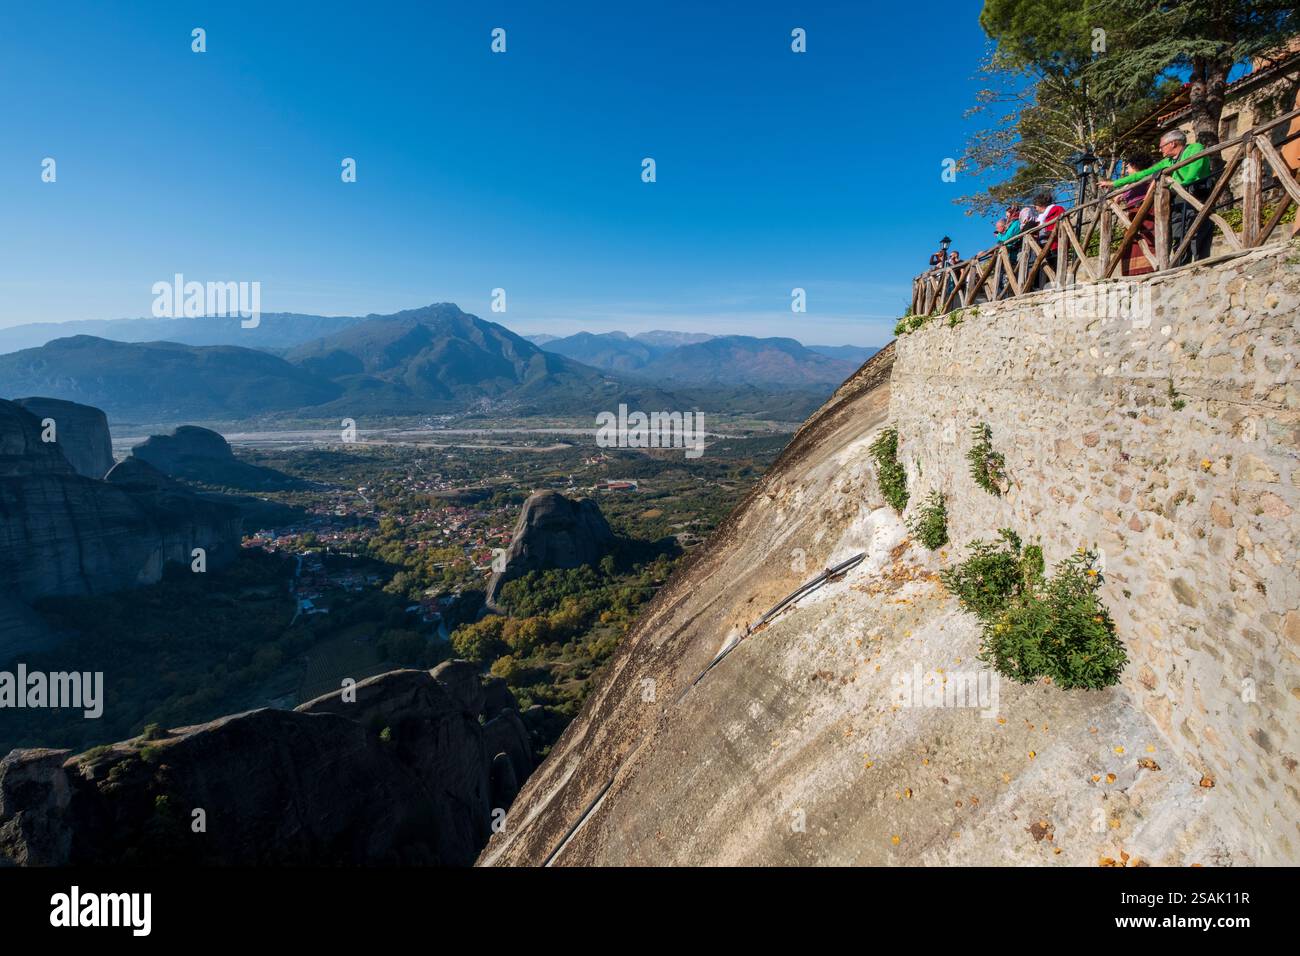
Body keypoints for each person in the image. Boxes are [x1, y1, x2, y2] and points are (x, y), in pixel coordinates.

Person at [1100, 129, 1214, 264]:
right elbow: (1141, 174)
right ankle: (1180, 265)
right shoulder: (1168, 161)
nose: (1160, 150)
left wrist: (1175, 187)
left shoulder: (1195, 148)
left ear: (1172, 144)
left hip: (1197, 193)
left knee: (1198, 230)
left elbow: (1194, 173)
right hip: (1178, 197)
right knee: (1178, 232)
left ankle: (1201, 263)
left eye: (1161, 147)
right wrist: (1113, 183)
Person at [1116, 155, 1156, 277]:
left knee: (1147, 238)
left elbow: (1151, 191)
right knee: (1131, 243)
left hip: (1146, 212)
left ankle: (1151, 267)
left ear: (1135, 166)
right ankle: (1132, 272)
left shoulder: (1146, 177)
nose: (1127, 170)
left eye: (1128, 167)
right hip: (1132, 215)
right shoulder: (1129, 183)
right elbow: (1117, 197)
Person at [1030, 191, 1066, 288]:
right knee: (1045, 266)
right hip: (1044, 244)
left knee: (1056, 264)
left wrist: (1051, 232)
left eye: (1035, 206)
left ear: (1040, 204)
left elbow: (1062, 223)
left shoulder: (1057, 209)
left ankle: (1058, 285)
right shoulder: (1041, 217)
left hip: (1055, 242)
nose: (1035, 208)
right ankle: (1044, 287)